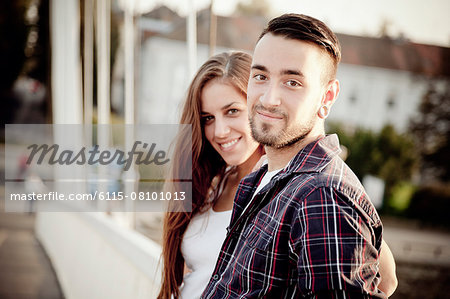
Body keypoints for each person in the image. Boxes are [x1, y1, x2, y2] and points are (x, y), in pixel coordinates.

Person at [201, 14, 395, 298]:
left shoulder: (323, 195)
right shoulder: (263, 179)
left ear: (326, 98)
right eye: (260, 76)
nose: (268, 98)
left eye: (292, 82)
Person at [157, 51, 264, 299]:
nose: (220, 131)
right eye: (208, 118)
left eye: (232, 111)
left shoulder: (278, 192)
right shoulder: (215, 183)